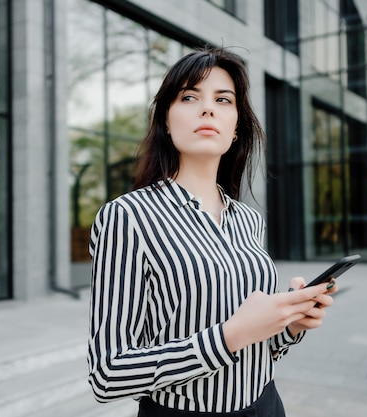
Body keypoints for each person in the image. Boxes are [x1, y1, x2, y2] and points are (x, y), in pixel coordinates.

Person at [87, 47, 337, 417]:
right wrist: (229, 335)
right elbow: (107, 376)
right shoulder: (127, 217)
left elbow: (257, 346)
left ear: (236, 128)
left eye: (223, 99)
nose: (208, 109)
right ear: (166, 123)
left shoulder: (249, 221)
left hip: (266, 405)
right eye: (189, 97)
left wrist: (289, 325)